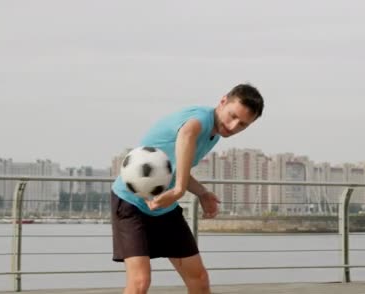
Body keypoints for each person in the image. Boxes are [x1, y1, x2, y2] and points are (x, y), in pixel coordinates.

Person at [111, 83, 264, 294]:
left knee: (199, 278)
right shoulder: (200, 119)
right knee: (139, 282)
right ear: (222, 101)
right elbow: (187, 133)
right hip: (132, 201)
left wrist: (202, 192)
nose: (234, 125)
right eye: (232, 115)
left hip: (164, 207)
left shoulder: (214, 134)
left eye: (243, 124)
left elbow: (175, 169)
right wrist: (179, 190)